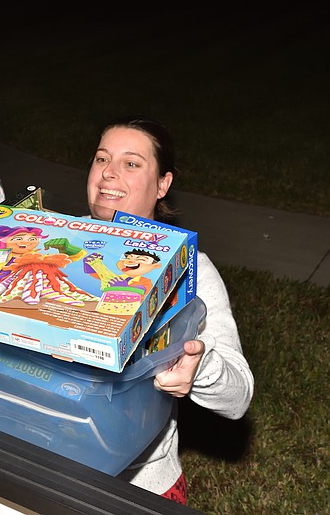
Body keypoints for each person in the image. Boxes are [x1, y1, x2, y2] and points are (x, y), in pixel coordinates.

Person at [87, 115, 254, 505]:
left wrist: (198, 365)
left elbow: (239, 397)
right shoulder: (52, 241)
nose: (109, 172)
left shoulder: (189, 269)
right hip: (38, 464)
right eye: (101, 158)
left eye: (131, 163)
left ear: (163, 184)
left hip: (138, 487)